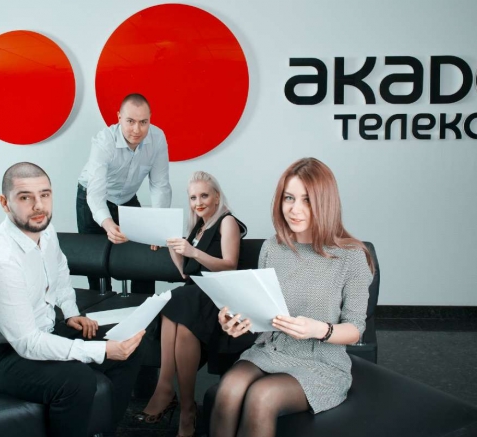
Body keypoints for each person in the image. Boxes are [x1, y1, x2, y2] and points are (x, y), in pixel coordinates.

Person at [0, 162, 146, 437]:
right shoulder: (0, 262)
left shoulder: (44, 230)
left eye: (44, 195)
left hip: (41, 331)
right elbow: (27, 344)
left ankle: (103, 431)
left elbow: (59, 270)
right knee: (77, 381)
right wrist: (101, 351)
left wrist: (71, 313)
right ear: (5, 203)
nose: (39, 206)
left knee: (128, 347)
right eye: (25, 197)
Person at [210, 158, 375, 437]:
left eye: (307, 200)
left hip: (322, 363)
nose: (294, 209)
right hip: (270, 351)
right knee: (228, 389)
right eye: (289, 198)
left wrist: (318, 329)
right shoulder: (272, 248)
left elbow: (356, 328)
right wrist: (237, 322)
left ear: (325, 203)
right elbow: (263, 312)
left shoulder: (352, 257)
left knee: (263, 396)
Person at [134, 171, 247, 437]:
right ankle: (185, 406)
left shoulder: (227, 221)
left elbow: (229, 265)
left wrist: (193, 251)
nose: (198, 202)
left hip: (217, 294)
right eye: (193, 198)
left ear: (217, 196)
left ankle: (166, 390)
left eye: (204, 195)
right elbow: (186, 274)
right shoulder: (198, 227)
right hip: (194, 294)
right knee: (177, 310)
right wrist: (173, 246)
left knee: (176, 299)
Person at [76, 93, 172, 292]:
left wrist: (157, 226)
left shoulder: (158, 138)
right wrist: (107, 223)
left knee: (146, 252)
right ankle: (102, 302)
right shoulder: (104, 141)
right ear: (119, 117)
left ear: (150, 118)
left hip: (127, 198)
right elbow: (95, 193)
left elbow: (160, 185)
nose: (137, 129)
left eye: (143, 122)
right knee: (95, 263)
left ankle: (144, 305)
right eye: (130, 121)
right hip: (91, 197)